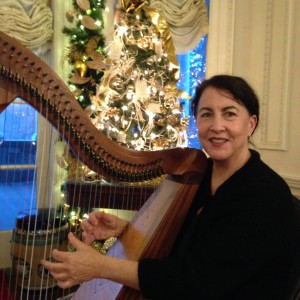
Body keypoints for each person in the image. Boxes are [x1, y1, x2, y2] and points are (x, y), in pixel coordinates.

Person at [41, 75, 298, 299]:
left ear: (250, 123)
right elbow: (188, 241)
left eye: (230, 114)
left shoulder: (265, 195)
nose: (217, 126)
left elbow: (197, 283)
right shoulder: (200, 176)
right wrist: (125, 230)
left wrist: (100, 266)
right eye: (207, 114)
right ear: (197, 122)